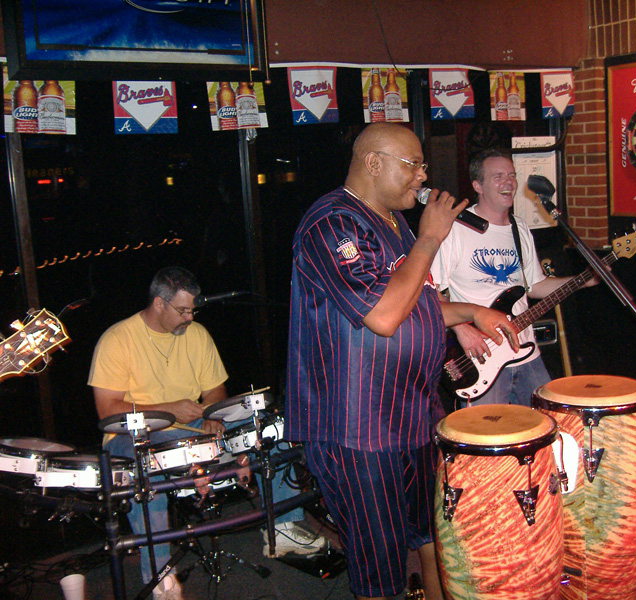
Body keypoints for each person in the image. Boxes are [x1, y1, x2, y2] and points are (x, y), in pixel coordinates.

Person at [285, 123, 520, 600]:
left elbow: (415, 300)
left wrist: (471, 312)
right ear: (373, 163)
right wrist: (429, 240)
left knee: (432, 535)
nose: (423, 176)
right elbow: (383, 314)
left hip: (411, 415)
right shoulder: (331, 223)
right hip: (358, 430)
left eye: (423, 166)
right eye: (413, 165)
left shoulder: (395, 223)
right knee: (381, 564)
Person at [88, 267, 322, 600]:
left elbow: (214, 392)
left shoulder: (197, 334)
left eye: (192, 310)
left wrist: (214, 416)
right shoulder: (117, 339)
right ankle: (159, 573)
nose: (190, 317)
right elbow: (108, 410)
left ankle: (283, 527)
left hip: (190, 427)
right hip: (133, 435)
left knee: (268, 428)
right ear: (159, 304)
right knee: (145, 465)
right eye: (183, 310)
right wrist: (169, 410)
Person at [431, 147, 596, 406]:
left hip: (525, 351)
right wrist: (461, 329)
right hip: (481, 357)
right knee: (486, 429)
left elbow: (535, 286)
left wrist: (584, 280)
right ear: (477, 185)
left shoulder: (520, 229)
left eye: (511, 175)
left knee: (543, 422)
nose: (508, 182)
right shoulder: (457, 228)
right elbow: (430, 289)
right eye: (497, 176)